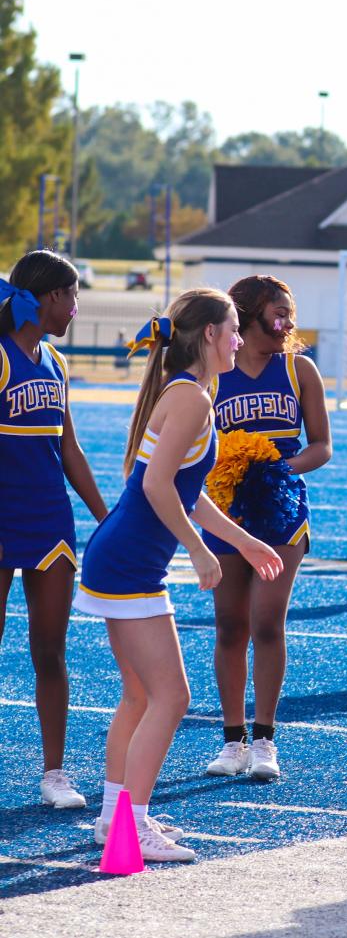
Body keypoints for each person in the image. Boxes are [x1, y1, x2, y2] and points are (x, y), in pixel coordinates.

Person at [76, 291, 283, 862]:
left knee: (141, 695)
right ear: (209, 335)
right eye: (235, 329)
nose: (240, 340)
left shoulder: (190, 393)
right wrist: (198, 552)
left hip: (122, 555)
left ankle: (117, 818)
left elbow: (185, 493)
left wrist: (242, 540)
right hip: (130, 561)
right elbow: (155, 487)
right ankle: (131, 824)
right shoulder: (191, 396)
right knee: (172, 696)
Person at [202, 276, 332, 782]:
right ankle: (231, 740)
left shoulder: (300, 369)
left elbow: (321, 444)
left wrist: (281, 470)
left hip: (280, 510)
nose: (287, 324)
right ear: (249, 314)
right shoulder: (215, 372)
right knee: (230, 625)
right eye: (278, 314)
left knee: (266, 621)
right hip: (227, 511)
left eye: (289, 313)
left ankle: (264, 739)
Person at [0, 251, 107, 810]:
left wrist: (106, 519)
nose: (74, 305)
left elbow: (71, 449)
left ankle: (54, 773)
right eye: (69, 294)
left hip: (49, 521)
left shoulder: (57, 364)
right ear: (44, 297)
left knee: (50, 650)